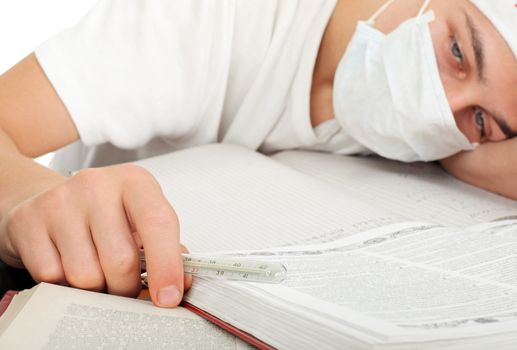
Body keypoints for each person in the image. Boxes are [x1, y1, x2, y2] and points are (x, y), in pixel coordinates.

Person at [0, 0, 515, 307]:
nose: (439, 112)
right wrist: (32, 202)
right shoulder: (211, 20)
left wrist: (484, 124)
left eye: (481, 121)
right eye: (457, 52)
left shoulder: (442, 126)